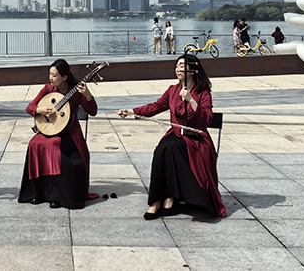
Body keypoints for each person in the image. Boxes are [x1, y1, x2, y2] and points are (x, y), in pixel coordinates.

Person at [118, 54, 226, 220]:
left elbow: (207, 119)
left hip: (196, 139)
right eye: (177, 66)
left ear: (192, 70)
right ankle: (156, 201)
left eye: (182, 66)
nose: (178, 69)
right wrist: (132, 111)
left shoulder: (203, 93)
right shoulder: (172, 90)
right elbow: (156, 106)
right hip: (176, 134)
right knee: (161, 149)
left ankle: (171, 198)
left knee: (172, 148)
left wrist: (191, 100)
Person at [19, 59, 99, 209]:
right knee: (34, 144)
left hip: (69, 131)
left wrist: (88, 95)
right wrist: (40, 110)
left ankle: (56, 196)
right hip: (50, 128)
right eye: (50, 74)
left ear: (64, 77)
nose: (51, 78)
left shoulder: (76, 91)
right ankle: (37, 192)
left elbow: (93, 111)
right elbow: (30, 107)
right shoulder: (48, 89)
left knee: (54, 146)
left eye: (54, 75)